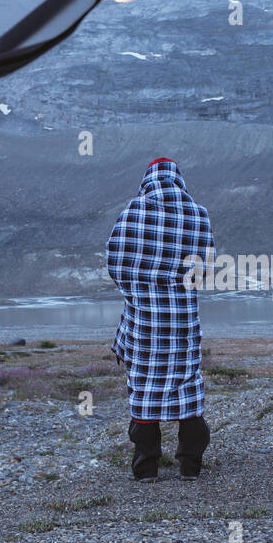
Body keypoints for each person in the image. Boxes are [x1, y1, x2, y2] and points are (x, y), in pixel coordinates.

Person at [106, 157, 213, 482]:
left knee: (144, 390)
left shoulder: (133, 212)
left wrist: (138, 287)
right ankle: (190, 466)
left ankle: (146, 468)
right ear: (177, 178)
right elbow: (204, 267)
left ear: (148, 179)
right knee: (187, 387)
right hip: (183, 321)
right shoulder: (197, 214)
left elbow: (115, 258)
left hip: (144, 323)